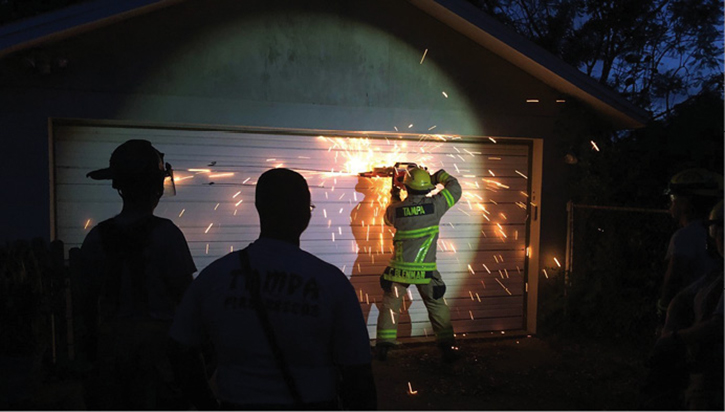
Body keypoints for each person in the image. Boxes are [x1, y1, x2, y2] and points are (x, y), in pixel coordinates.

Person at [168, 168, 377, 410]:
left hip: (237, 403)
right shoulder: (331, 282)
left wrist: (205, 403)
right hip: (313, 402)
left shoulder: (216, 275)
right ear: (304, 215)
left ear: (259, 209)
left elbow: (179, 346)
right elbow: (357, 371)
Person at [79, 139, 197, 409]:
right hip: (159, 357)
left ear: (118, 185)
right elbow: (187, 299)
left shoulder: (96, 237)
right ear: (156, 185)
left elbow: (85, 300)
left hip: (111, 354)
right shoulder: (167, 235)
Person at [375, 166, 462, 362]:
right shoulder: (436, 205)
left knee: (390, 307)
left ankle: (383, 348)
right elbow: (455, 188)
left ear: (407, 187)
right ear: (428, 188)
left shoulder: (395, 210)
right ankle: (447, 347)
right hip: (425, 272)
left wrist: (395, 194)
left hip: (398, 271)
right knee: (437, 305)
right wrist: (438, 175)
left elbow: (390, 218)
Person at [642, 200, 723, 410]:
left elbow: (718, 326)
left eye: (715, 230)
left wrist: (674, 339)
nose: (713, 238)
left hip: (715, 376)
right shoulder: (716, 275)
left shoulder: (685, 240)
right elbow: (683, 298)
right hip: (702, 368)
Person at [658, 169, 722, 323]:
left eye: (673, 197)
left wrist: (663, 312)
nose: (670, 203)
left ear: (685, 203)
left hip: (689, 313)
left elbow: (673, 278)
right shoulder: (714, 232)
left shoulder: (684, 237)